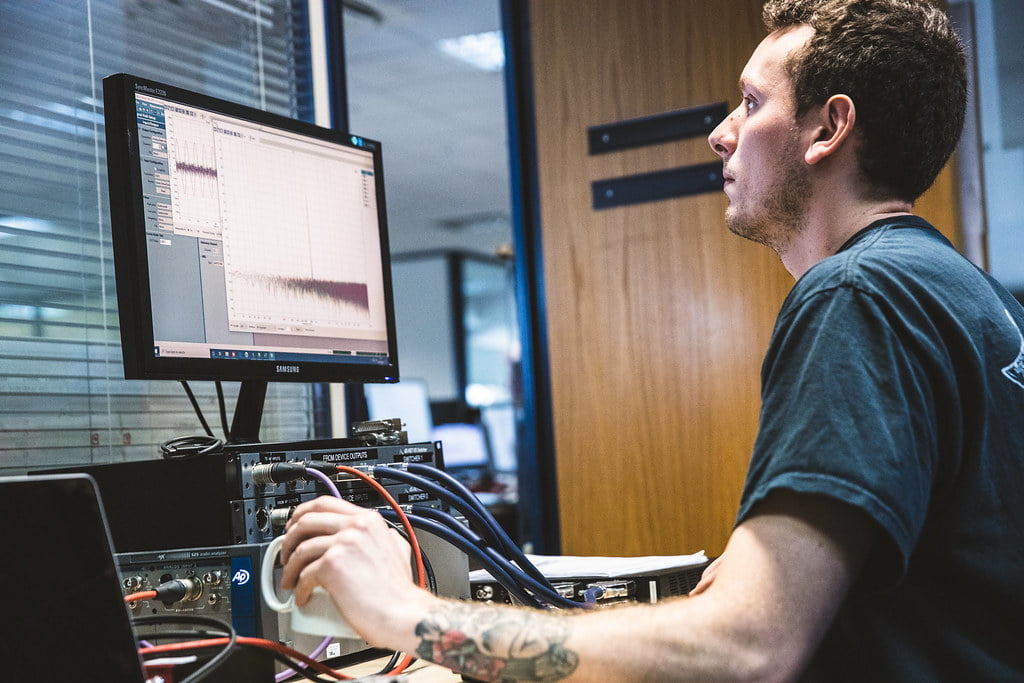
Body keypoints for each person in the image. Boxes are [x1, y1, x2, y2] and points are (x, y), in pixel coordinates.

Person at [278, 0, 1024, 679]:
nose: (721, 132)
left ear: (828, 129)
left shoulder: (855, 295)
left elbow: (747, 649)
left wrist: (399, 611)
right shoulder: (974, 296)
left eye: (752, 102)